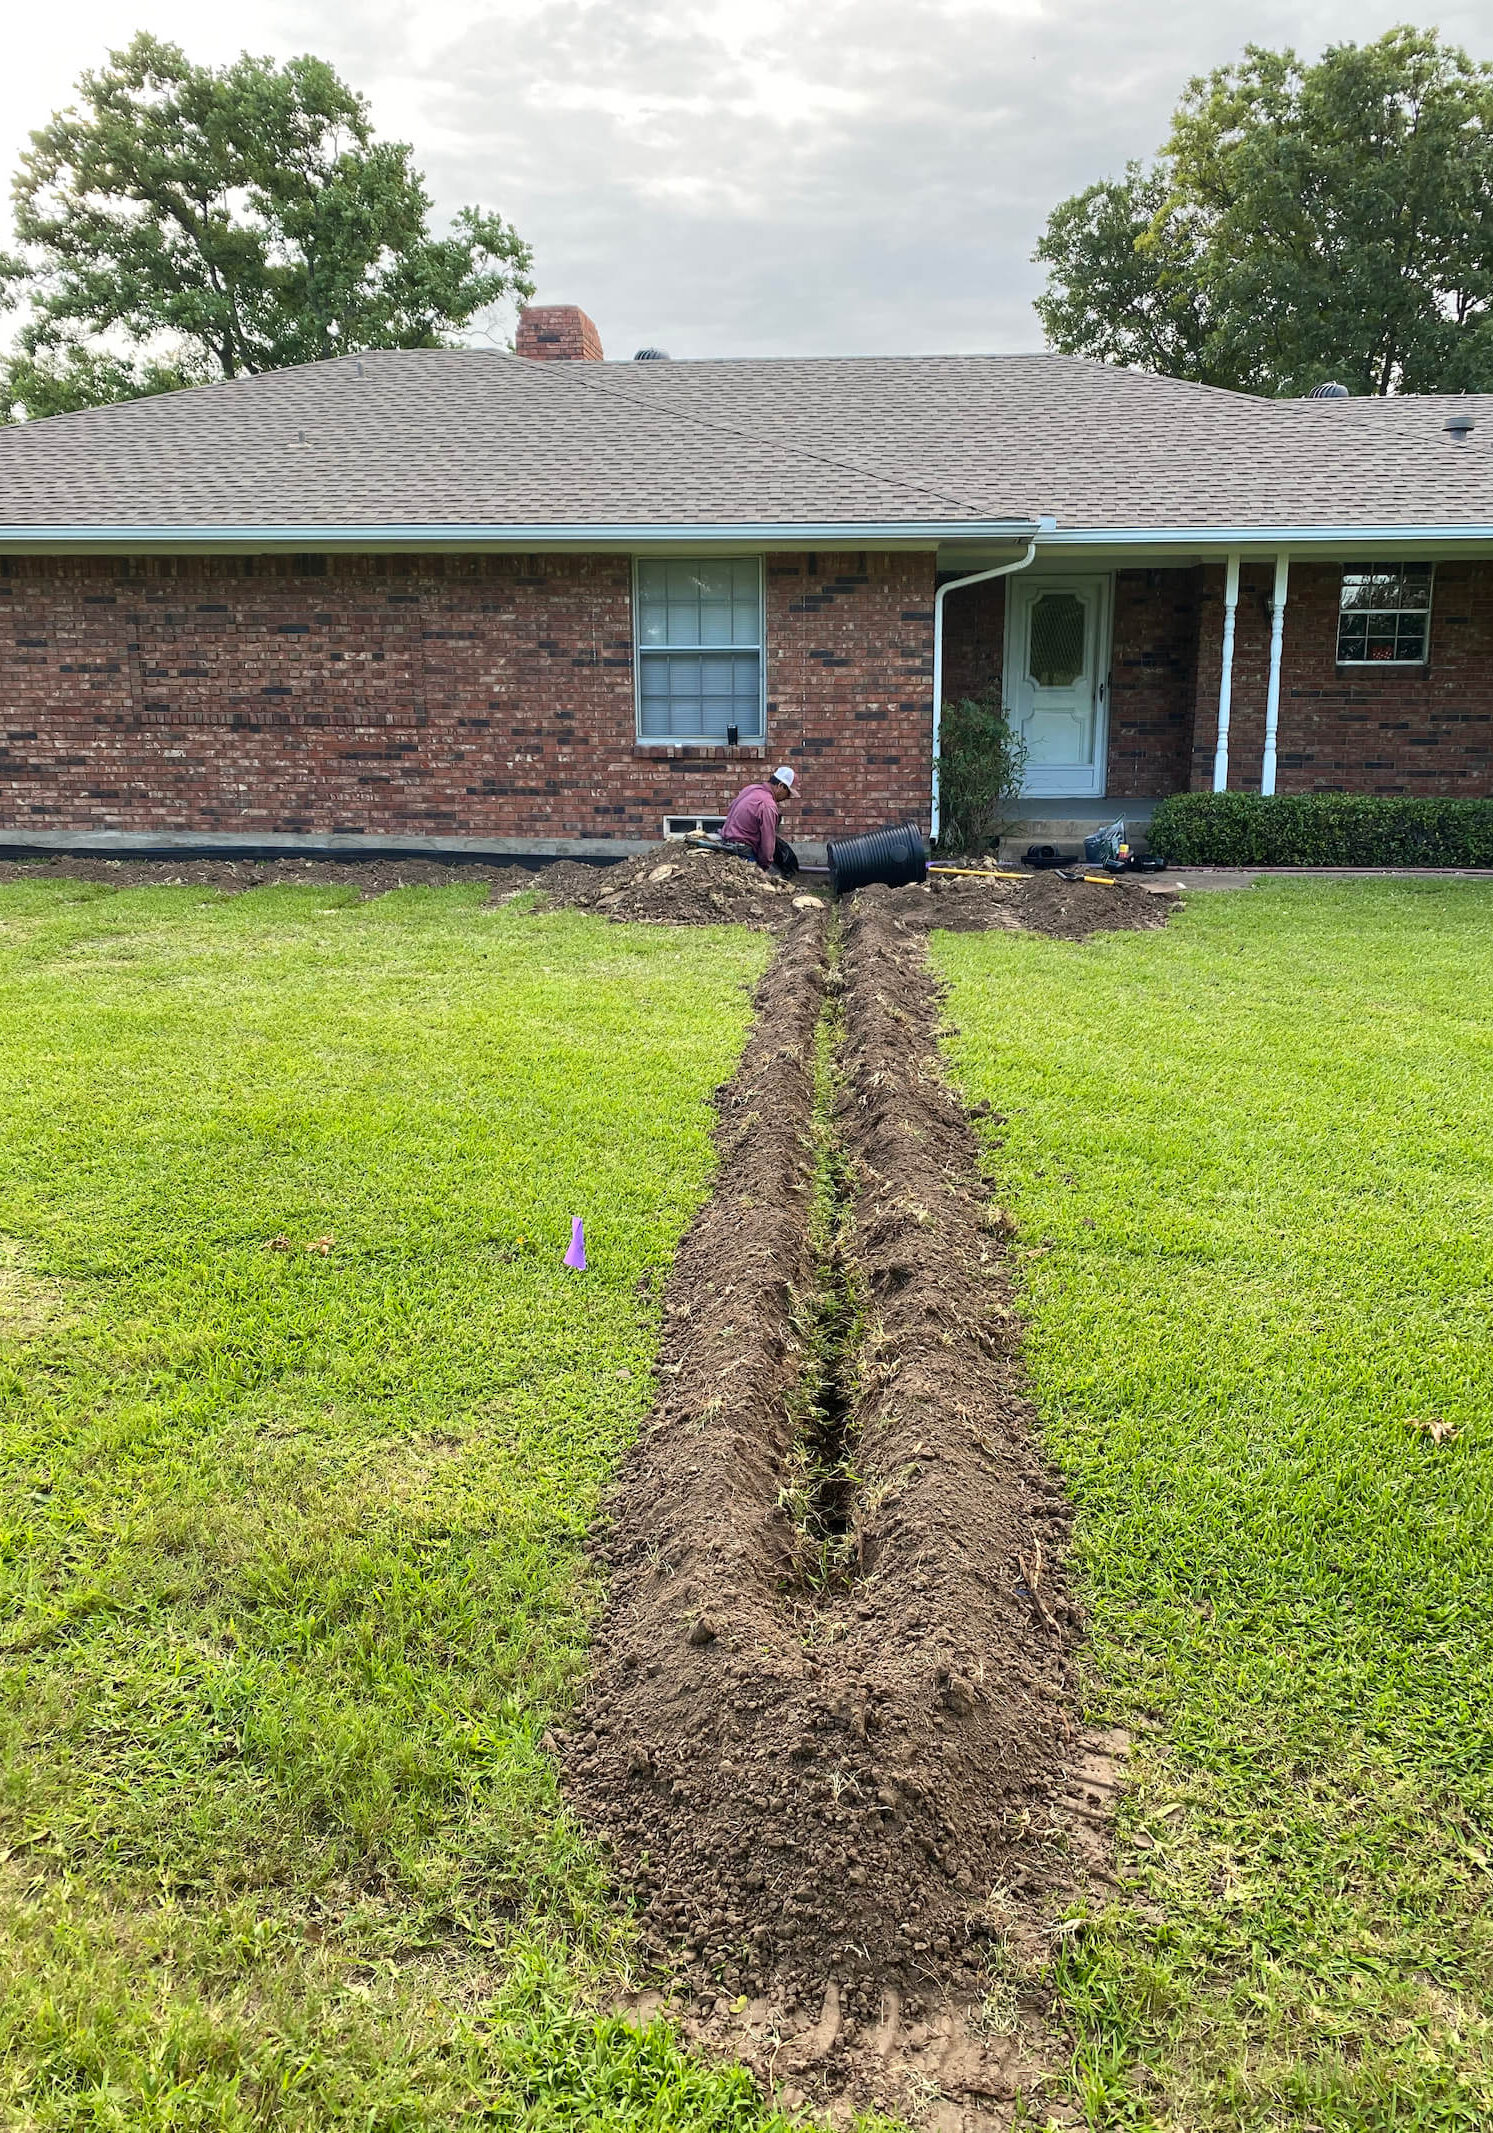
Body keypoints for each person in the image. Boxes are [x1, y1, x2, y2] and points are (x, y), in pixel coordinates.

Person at [719, 766, 798, 871]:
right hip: (743, 851)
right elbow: (767, 844)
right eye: (788, 793)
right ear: (781, 786)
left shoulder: (750, 789)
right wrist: (765, 867)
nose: (787, 797)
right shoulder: (768, 805)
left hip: (724, 843)